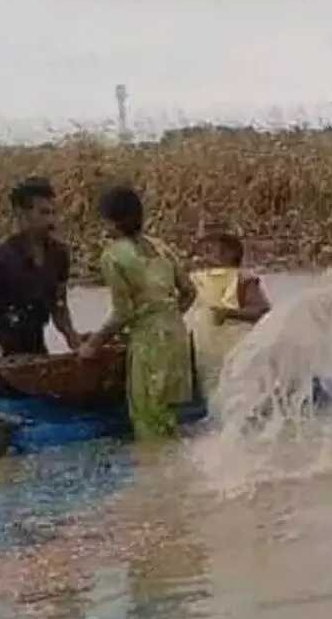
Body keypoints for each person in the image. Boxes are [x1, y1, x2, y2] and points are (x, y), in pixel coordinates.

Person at [78, 185, 196, 441]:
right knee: (168, 417)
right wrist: (167, 317)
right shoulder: (161, 247)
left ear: (110, 221)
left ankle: (158, 474)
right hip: (176, 336)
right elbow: (190, 292)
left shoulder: (113, 256)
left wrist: (93, 344)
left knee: (148, 420)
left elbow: (122, 314)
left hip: (149, 344)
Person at [0, 177, 85, 398]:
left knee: (41, 396)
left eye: (53, 212)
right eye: (43, 213)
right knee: (9, 404)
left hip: (34, 339)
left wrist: (72, 336)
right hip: (4, 346)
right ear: (22, 215)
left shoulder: (59, 255)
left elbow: (58, 304)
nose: (51, 220)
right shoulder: (1, 259)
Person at [185, 231, 272, 400]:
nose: (206, 257)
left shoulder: (243, 280)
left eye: (212, 251)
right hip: (205, 352)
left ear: (229, 254)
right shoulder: (199, 280)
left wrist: (230, 314)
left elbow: (262, 310)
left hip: (233, 351)